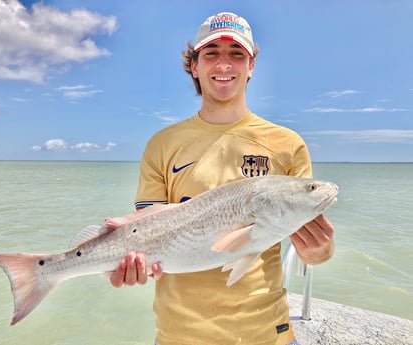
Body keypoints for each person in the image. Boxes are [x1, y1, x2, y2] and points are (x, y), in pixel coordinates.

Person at [108, 12, 335, 345]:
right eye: (211, 53)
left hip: (268, 334)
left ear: (251, 65)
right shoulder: (162, 144)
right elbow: (148, 226)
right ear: (194, 66)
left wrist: (320, 250)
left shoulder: (288, 144)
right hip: (177, 336)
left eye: (236, 54)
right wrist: (134, 263)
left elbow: (309, 250)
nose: (224, 64)